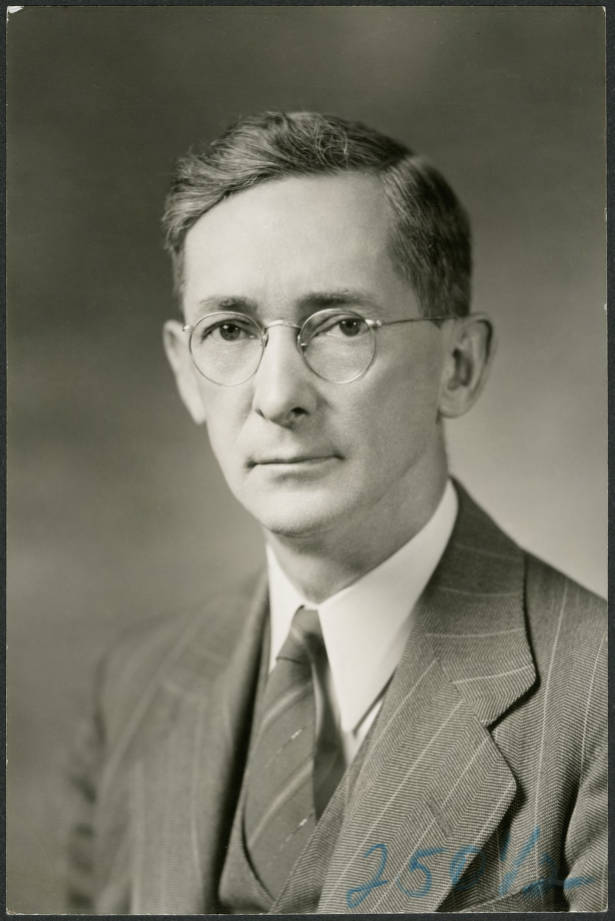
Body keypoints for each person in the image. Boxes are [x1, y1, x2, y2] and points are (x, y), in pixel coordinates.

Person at [66, 111, 606, 914]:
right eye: (230, 329)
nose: (277, 395)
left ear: (457, 366)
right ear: (185, 372)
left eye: (343, 325)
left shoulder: (595, 697)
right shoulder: (134, 689)